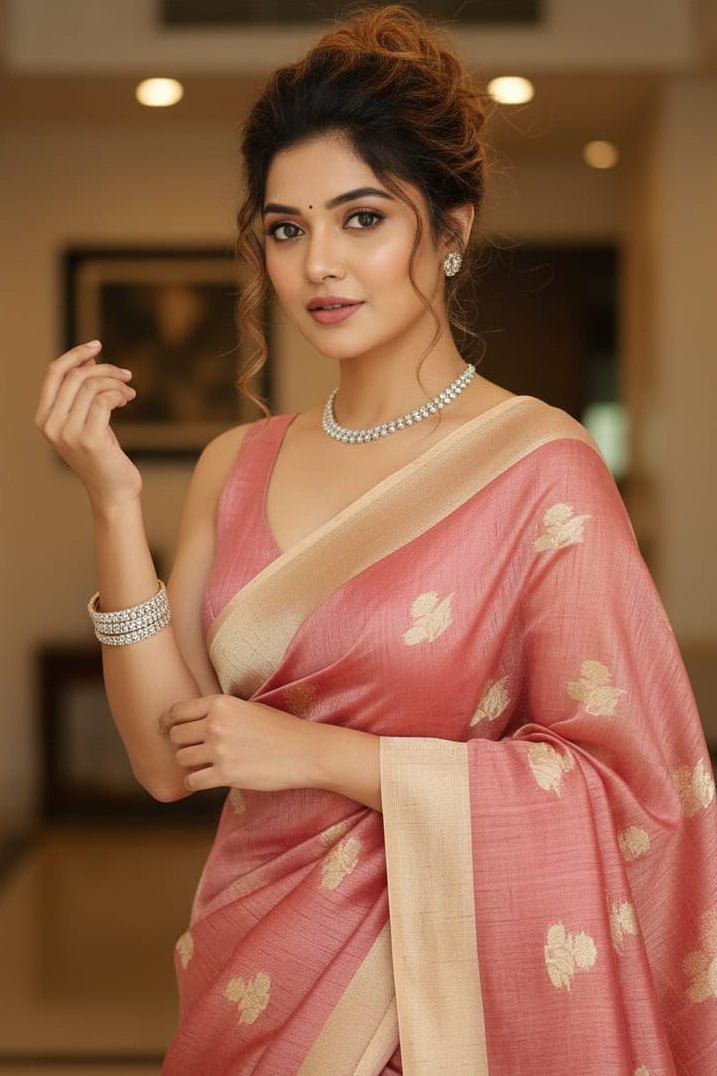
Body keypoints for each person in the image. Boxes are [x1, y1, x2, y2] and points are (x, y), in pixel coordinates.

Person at [36, 6, 717, 1074]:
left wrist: (323, 754)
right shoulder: (239, 462)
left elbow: (627, 784)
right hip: (258, 973)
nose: (318, 266)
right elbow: (168, 761)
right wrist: (114, 506)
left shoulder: (541, 467)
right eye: (286, 227)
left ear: (448, 228)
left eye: (362, 218)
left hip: (437, 1010)